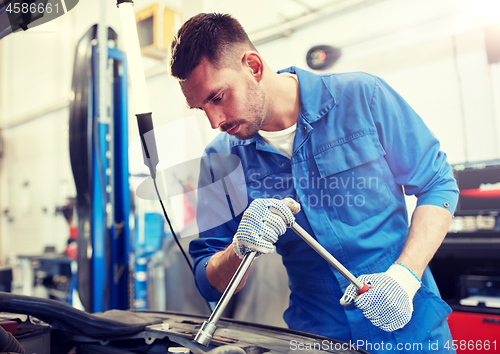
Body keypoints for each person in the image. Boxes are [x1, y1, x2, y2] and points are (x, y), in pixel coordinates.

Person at [169, 13, 459, 353]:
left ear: (253, 66)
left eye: (217, 97)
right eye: (200, 108)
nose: (214, 120)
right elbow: (209, 282)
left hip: (411, 329)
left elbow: (437, 184)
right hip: (316, 338)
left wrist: (405, 277)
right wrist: (239, 249)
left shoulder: (363, 97)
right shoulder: (219, 160)